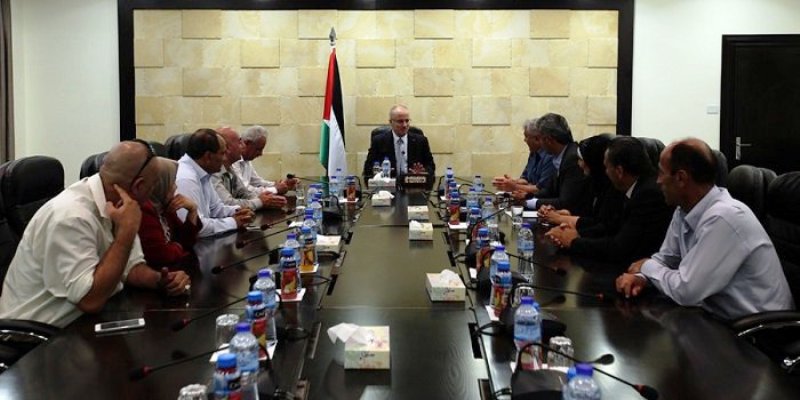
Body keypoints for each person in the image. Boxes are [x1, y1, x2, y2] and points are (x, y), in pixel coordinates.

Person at [0, 140, 191, 328]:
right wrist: (125, 234)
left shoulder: (122, 205)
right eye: (153, 185)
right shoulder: (71, 216)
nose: (154, 192)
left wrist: (160, 281)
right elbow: (90, 300)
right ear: (139, 186)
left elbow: (130, 269)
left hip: (85, 322)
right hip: (38, 336)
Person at [616, 138, 794, 320]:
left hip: (760, 329)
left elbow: (687, 291)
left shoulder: (724, 218)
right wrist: (642, 278)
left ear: (681, 178)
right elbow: (667, 259)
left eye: (661, 173)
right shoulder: (683, 209)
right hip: (717, 320)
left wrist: (646, 266)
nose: (658, 181)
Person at [546, 136, 673, 264]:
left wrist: (573, 242)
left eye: (606, 167)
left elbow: (620, 247)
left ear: (619, 171)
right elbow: (609, 227)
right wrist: (576, 233)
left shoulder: (648, 195)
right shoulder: (634, 187)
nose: (605, 173)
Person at [176, 129, 254, 238]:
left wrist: (237, 211)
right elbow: (197, 227)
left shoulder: (203, 172)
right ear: (208, 156)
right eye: (222, 153)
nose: (225, 158)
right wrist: (234, 222)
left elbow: (216, 209)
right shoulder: (185, 178)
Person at [520, 113, 593, 216]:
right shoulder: (561, 155)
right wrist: (527, 196)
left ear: (549, 140)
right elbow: (548, 191)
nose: (539, 143)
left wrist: (528, 202)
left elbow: (565, 202)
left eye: (540, 139)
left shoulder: (572, 159)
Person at [138, 157, 202, 268]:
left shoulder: (165, 207)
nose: (175, 187)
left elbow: (187, 240)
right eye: (172, 182)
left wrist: (193, 210)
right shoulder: (144, 211)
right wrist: (179, 246)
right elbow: (163, 256)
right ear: (159, 184)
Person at [213, 127, 287, 210]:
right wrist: (261, 201)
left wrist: (266, 198)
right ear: (227, 148)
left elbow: (243, 193)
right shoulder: (213, 172)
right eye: (239, 142)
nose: (243, 145)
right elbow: (228, 204)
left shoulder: (229, 168)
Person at [362, 104, 436, 182]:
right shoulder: (379, 141)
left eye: (407, 121)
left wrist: (422, 172)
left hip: (413, 184)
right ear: (391, 122)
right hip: (387, 185)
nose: (404, 125)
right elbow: (368, 169)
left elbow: (431, 166)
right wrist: (380, 174)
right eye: (400, 121)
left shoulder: (421, 141)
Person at [492, 118, 555, 197]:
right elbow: (525, 179)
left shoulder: (550, 157)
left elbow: (540, 189)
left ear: (537, 139)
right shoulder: (533, 153)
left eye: (526, 136)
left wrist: (514, 186)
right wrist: (510, 182)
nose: (525, 140)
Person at [232, 125, 296, 195]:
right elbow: (243, 190)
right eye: (258, 149)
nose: (261, 154)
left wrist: (281, 185)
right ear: (247, 143)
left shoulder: (247, 160)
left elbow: (257, 182)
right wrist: (275, 189)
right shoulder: (233, 160)